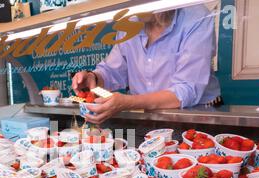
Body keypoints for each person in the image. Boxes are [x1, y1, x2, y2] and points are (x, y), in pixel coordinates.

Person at [72, 5, 221, 124]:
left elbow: (186, 90)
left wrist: (129, 102)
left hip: (192, 122)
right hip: (145, 120)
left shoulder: (196, 17)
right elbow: (113, 71)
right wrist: (95, 78)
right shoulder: (130, 23)